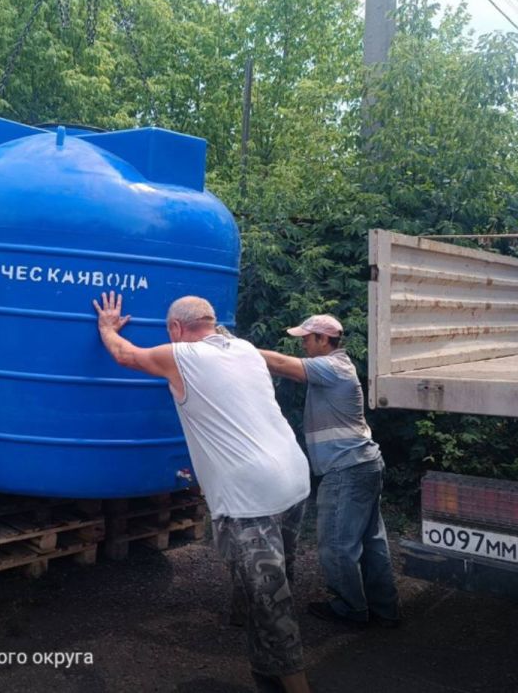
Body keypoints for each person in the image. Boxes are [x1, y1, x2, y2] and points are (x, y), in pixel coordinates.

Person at [93, 292, 312, 693]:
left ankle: (296, 685)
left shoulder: (183, 356)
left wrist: (107, 327)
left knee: (272, 604)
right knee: (276, 576)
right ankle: (258, 652)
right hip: (295, 477)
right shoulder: (245, 349)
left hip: (251, 494)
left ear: (176, 329)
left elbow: (126, 355)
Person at [258, 314, 400, 629]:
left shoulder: (333, 367)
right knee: (371, 541)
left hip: (346, 469)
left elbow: (282, 365)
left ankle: (350, 609)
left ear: (324, 340)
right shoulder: (337, 368)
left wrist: (237, 351)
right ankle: (384, 610)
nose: (303, 343)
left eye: (307, 339)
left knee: (337, 544)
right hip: (364, 464)